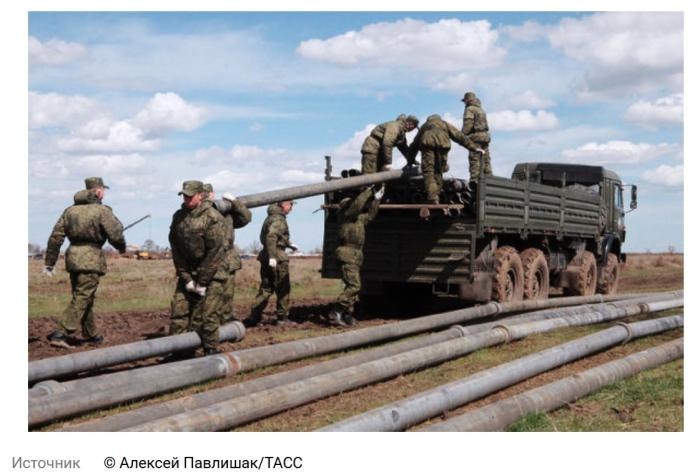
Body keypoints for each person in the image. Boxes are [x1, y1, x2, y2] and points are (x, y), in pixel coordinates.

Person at [43, 177, 126, 348]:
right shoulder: (102, 211)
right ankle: (61, 332)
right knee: (83, 296)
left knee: (83, 296)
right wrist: (121, 247)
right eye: (103, 190)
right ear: (98, 191)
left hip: (73, 259)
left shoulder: (69, 211)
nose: (104, 193)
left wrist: (50, 263)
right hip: (91, 259)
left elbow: (56, 238)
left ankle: (90, 334)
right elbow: (116, 235)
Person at [168, 180, 230, 356]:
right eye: (184, 196)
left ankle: (210, 350)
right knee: (179, 311)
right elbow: (175, 248)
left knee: (208, 314)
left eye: (190, 196)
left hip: (213, 272)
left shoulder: (213, 217)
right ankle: (179, 350)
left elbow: (215, 252)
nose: (186, 199)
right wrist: (186, 278)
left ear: (200, 195)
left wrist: (202, 282)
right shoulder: (179, 217)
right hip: (189, 271)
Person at [328, 184, 384, 326]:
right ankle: (337, 310)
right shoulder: (346, 216)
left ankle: (347, 315)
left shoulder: (358, 220)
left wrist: (376, 199)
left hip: (354, 256)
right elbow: (357, 205)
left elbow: (370, 215)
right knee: (354, 286)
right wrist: (369, 191)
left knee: (351, 287)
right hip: (347, 255)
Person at [204, 184, 252, 323]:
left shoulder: (226, 212)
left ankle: (225, 321)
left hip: (228, 259)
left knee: (227, 293)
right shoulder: (201, 213)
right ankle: (209, 322)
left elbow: (246, 218)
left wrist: (235, 202)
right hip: (209, 260)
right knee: (210, 295)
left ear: (213, 194)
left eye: (209, 194)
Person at [246, 200, 298, 327]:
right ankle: (282, 318)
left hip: (266, 255)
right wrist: (273, 257)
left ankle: (254, 316)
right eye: (290, 204)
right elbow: (271, 236)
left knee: (266, 288)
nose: (291, 208)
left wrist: (288, 244)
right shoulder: (279, 219)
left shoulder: (270, 217)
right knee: (283, 288)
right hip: (277, 257)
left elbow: (270, 237)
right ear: (284, 204)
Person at [408, 114, 480, 204]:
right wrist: (473, 147)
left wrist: (410, 160)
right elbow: (459, 136)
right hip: (443, 148)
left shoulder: (425, 126)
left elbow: (414, 145)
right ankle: (436, 195)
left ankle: (433, 198)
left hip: (428, 148)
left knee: (428, 172)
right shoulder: (444, 124)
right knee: (439, 172)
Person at [461, 91, 492, 181]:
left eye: (464, 101)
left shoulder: (470, 109)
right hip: (485, 137)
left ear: (467, 100)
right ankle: (489, 180)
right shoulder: (481, 109)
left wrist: (461, 135)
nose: (464, 103)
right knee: (486, 160)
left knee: (475, 160)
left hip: (476, 138)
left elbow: (468, 125)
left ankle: (475, 182)